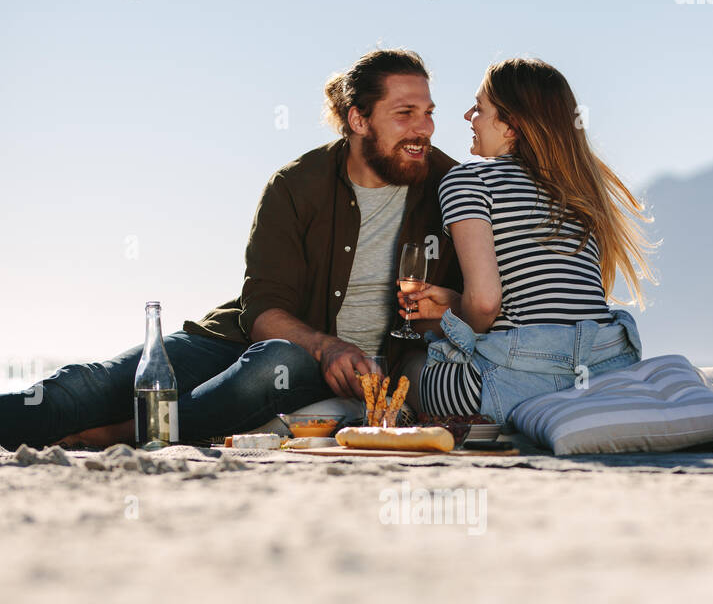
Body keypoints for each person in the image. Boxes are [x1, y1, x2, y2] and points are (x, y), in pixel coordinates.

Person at [0, 49, 461, 450]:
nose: (424, 129)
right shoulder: (297, 185)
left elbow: (486, 300)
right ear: (358, 119)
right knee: (86, 386)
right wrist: (328, 347)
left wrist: (446, 309)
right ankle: (104, 421)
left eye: (428, 112)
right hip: (237, 338)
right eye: (405, 114)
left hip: (300, 368)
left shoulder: (451, 187)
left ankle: (123, 434)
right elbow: (262, 309)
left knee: (272, 364)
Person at [397, 57, 658, 425]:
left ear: (511, 126)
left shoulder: (468, 180)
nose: (468, 115)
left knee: (408, 365)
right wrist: (454, 303)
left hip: (508, 385)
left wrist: (450, 320)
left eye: (480, 107)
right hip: (604, 378)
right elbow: (555, 304)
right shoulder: (581, 190)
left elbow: (486, 304)